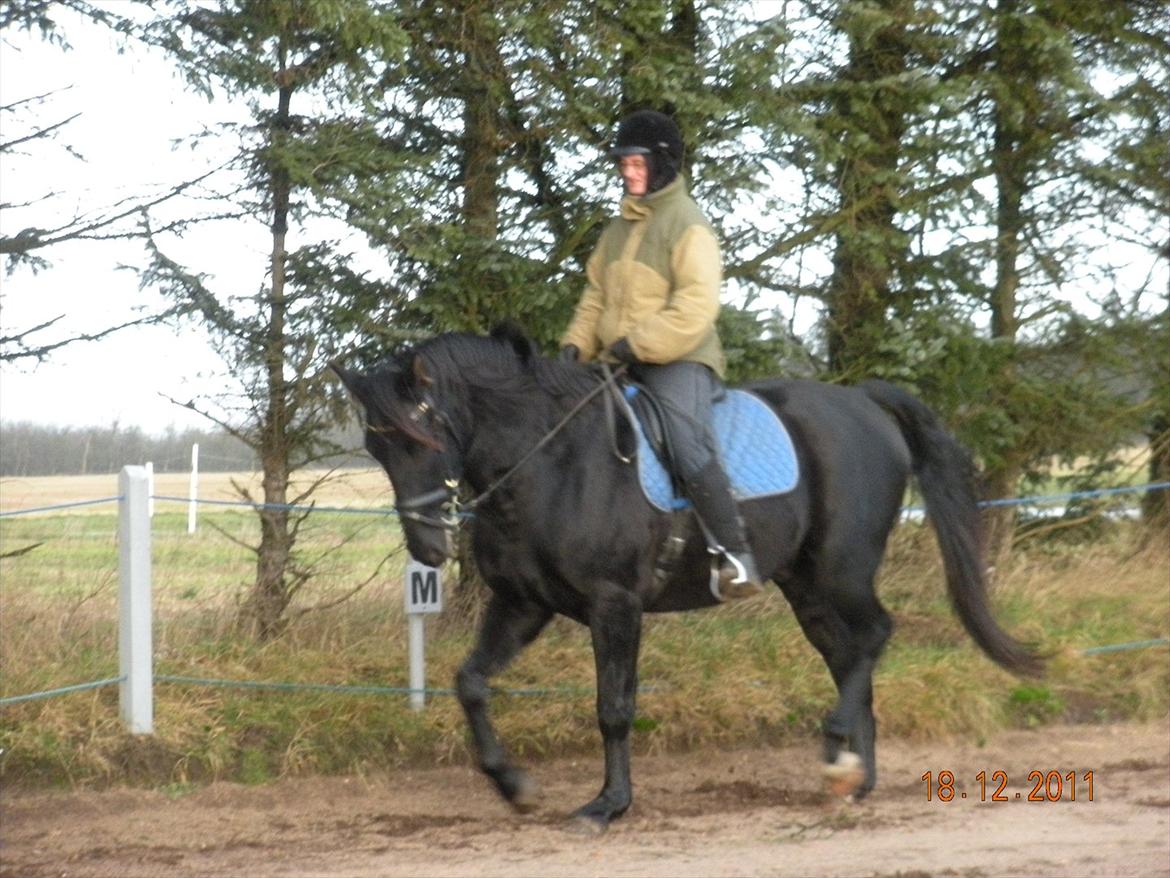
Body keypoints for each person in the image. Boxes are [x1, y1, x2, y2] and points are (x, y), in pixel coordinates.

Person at [559, 109, 763, 601]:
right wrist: (575, 346)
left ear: (663, 163)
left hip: (679, 360)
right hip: (619, 359)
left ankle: (736, 555)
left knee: (686, 443)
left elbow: (695, 306)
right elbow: (595, 298)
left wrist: (638, 345)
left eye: (636, 163)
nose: (627, 172)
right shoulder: (618, 229)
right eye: (623, 163)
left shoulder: (688, 224)